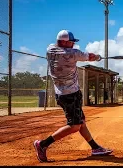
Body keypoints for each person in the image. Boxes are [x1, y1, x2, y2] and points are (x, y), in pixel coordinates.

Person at [33, 30, 112, 163]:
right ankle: (43, 144)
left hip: (60, 94)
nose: (73, 44)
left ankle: (95, 148)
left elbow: (77, 53)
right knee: (75, 125)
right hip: (71, 94)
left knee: (81, 122)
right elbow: (91, 57)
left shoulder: (50, 50)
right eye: (71, 42)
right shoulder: (72, 53)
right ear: (63, 42)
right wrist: (98, 57)